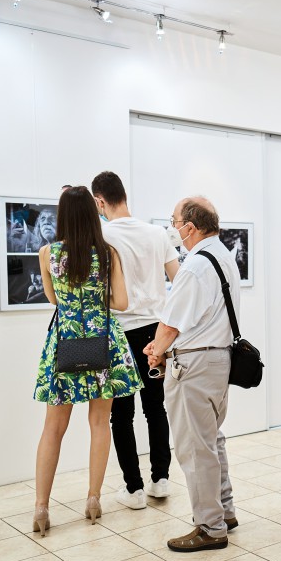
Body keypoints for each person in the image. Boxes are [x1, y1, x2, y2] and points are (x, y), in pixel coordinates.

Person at [31, 187, 141, 537]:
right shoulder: (107, 254)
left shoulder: (47, 253)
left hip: (65, 341)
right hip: (102, 342)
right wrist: (96, 297)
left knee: (53, 428)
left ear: (62, 215)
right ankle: (93, 499)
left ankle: (41, 507)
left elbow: (53, 299)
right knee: (99, 423)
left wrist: (73, 298)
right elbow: (122, 303)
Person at [143, 198, 240, 552]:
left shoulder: (196, 265)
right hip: (218, 360)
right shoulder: (223, 256)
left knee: (196, 448)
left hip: (194, 366)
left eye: (174, 221)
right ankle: (224, 511)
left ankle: (210, 527)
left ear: (190, 227)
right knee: (211, 440)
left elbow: (171, 324)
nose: (172, 228)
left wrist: (156, 350)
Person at [92, 171, 180, 511]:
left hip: (119, 332)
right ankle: (161, 479)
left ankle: (134, 489)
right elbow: (178, 280)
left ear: (100, 201)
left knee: (121, 414)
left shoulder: (101, 234)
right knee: (156, 407)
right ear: (124, 196)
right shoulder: (157, 233)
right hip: (155, 331)